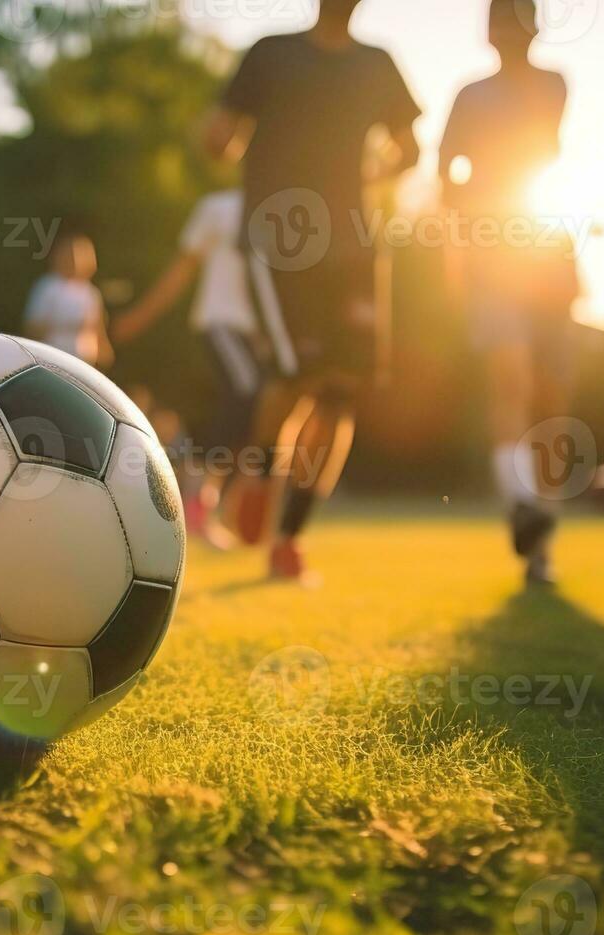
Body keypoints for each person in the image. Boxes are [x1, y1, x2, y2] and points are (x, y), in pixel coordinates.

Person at [202, 0, 422, 583]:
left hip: (355, 247)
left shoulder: (379, 64)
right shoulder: (271, 53)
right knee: (296, 376)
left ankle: (289, 540)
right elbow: (219, 138)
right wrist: (220, 135)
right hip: (283, 243)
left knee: (340, 393)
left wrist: (362, 177)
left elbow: (412, 150)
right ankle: (256, 471)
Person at [440, 0, 577, 586]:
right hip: (494, 258)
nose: (507, 33)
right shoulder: (469, 95)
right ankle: (519, 505)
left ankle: (541, 536)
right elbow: (448, 174)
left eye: (517, 21)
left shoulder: (551, 84)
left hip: (548, 254)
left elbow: (538, 149)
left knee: (552, 404)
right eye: (499, 22)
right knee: (510, 381)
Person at [114, 189, 266, 549]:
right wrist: (139, 317)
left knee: (255, 412)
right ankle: (196, 504)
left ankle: (209, 502)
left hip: (257, 335)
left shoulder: (279, 208)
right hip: (221, 322)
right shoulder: (218, 208)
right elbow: (181, 271)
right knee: (245, 396)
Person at [23, 233, 113, 368]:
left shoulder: (90, 291)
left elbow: (97, 326)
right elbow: (32, 326)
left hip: (84, 363)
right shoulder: (47, 286)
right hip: (53, 360)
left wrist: (103, 348)